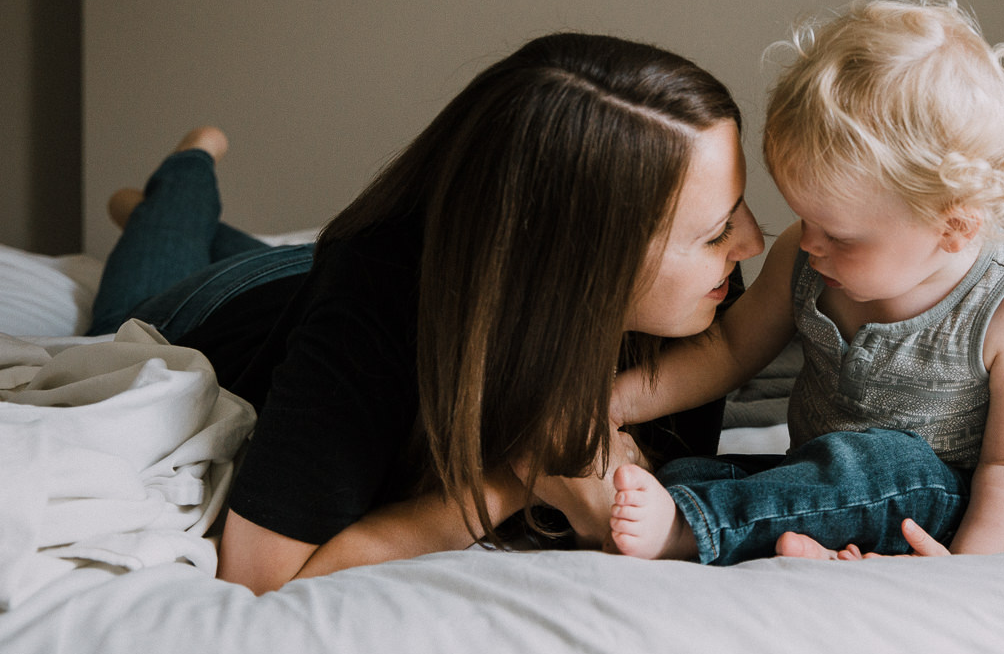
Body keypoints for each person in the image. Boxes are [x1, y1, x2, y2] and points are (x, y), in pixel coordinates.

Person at [86, 32, 765, 593]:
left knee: (253, 255)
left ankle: (180, 210)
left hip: (355, 278)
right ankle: (185, 172)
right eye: (713, 233)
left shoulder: (701, 304)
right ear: (581, 267)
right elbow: (264, 576)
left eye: (737, 210)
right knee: (125, 307)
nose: (751, 244)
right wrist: (515, 476)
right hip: (232, 307)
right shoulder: (375, 313)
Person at [604, 0, 1004, 564]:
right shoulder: (808, 258)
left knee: (889, 462)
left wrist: (964, 568)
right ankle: (756, 529)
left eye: (839, 236)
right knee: (693, 470)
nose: (809, 242)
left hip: (931, 504)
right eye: (807, 218)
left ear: (953, 225)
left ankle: (686, 530)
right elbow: (728, 348)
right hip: (814, 484)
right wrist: (617, 402)